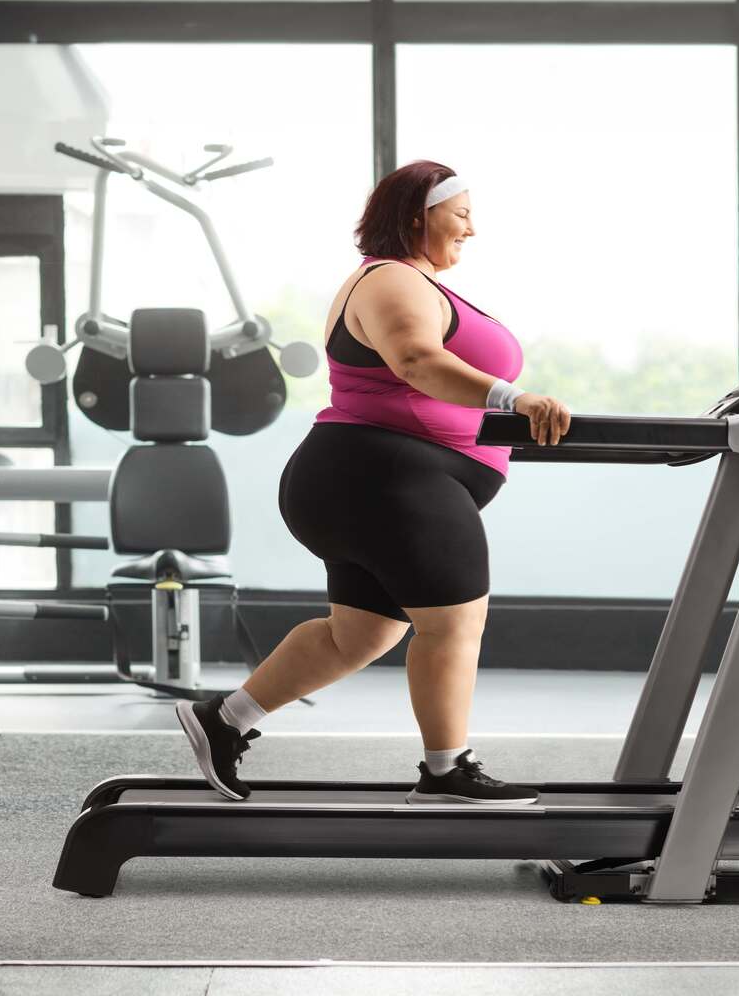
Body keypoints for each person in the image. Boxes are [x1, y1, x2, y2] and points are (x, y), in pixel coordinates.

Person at [176, 160, 571, 804]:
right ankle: (447, 770)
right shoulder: (391, 279)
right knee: (453, 624)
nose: (472, 229)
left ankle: (224, 720)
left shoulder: (412, 281)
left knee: (360, 633)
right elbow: (417, 361)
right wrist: (514, 398)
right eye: (462, 214)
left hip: (374, 481)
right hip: (388, 479)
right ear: (420, 215)